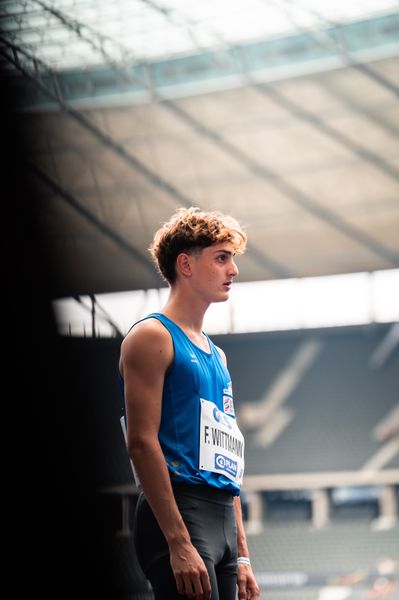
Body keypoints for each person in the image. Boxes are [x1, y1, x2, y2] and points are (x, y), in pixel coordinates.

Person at [119, 206, 260, 600]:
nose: (233, 270)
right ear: (186, 264)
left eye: (231, 259)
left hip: (222, 522)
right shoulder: (151, 337)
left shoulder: (218, 356)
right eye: (221, 258)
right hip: (179, 511)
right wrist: (178, 542)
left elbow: (225, 461)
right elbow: (141, 442)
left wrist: (243, 555)